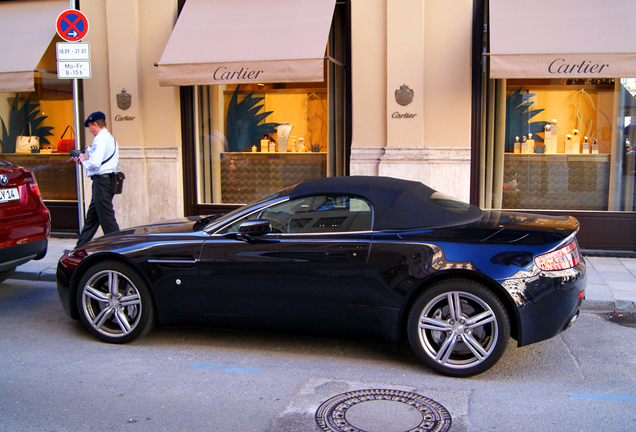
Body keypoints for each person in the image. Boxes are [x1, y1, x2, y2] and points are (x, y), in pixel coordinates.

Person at [72, 111, 120, 247]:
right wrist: (86, 160)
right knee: (92, 219)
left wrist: (83, 160)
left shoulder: (100, 139)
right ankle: (79, 248)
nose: (89, 130)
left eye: (90, 126)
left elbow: (94, 163)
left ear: (95, 124)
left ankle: (120, 248)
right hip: (107, 181)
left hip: (102, 182)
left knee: (107, 218)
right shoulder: (110, 138)